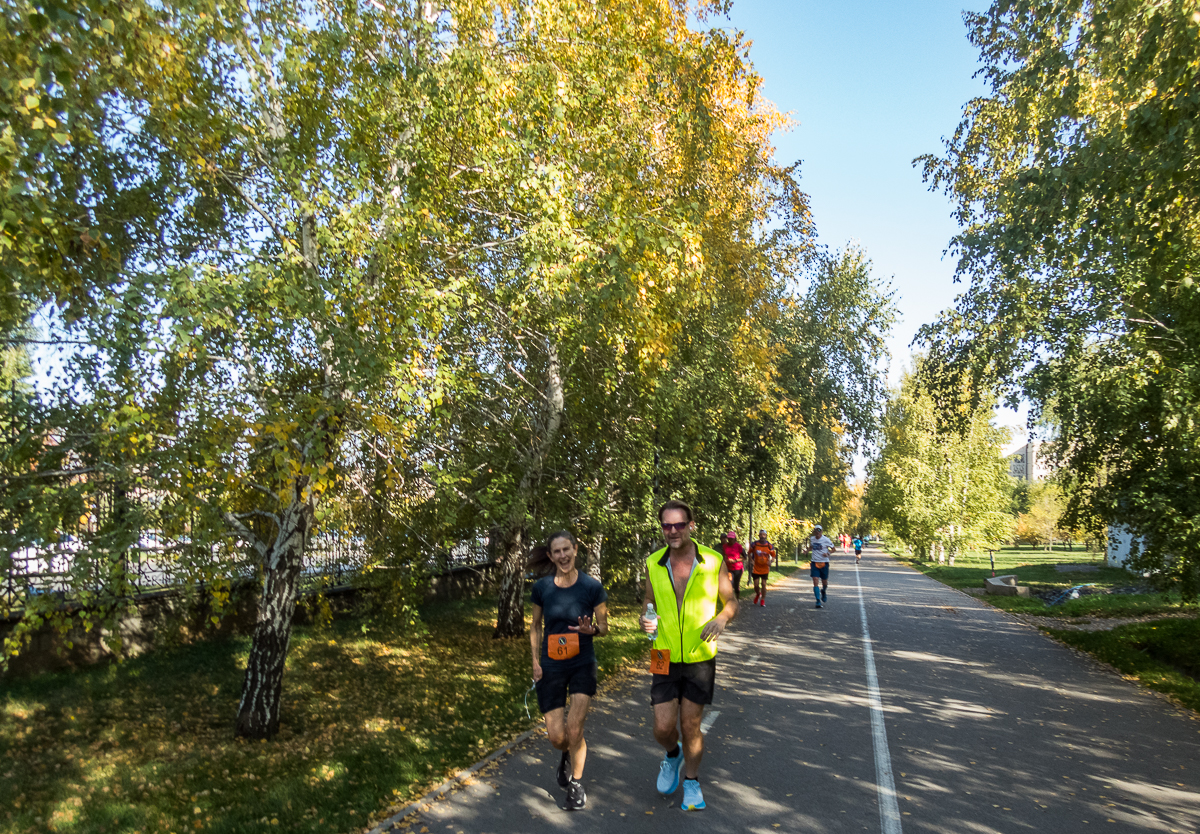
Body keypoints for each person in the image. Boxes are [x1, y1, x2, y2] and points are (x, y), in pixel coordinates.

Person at [639, 500, 738, 811]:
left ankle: (692, 783)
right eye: (667, 526)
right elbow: (648, 602)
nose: (672, 531)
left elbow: (731, 600)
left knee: (691, 725)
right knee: (662, 728)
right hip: (664, 654)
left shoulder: (712, 560)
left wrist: (722, 618)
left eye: (679, 525)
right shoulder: (654, 563)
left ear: (691, 525)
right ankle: (672, 755)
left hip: (698, 656)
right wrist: (646, 618)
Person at [529, 530, 609, 811]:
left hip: (581, 664)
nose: (563, 556)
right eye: (557, 552)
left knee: (575, 729)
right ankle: (565, 753)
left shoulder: (592, 587)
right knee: (557, 737)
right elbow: (536, 626)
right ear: (550, 556)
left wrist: (593, 630)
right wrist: (535, 662)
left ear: (576, 550)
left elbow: (605, 628)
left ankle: (576, 783)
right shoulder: (542, 588)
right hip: (551, 665)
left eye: (567, 549)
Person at [806, 523, 836, 608]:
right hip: (814, 562)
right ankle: (818, 601)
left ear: (822, 531)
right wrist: (807, 551)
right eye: (816, 531)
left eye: (819, 530)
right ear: (814, 532)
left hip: (824, 563)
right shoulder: (812, 539)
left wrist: (828, 553)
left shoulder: (826, 540)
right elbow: (811, 547)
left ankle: (823, 591)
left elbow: (834, 549)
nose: (818, 532)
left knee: (824, 581)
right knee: (815, 580)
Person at [747, 529, 777, 606]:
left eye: (764, 535)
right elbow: (749, 553)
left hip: (765, 568)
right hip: (756, 567)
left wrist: (771, 561)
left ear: (766, 536)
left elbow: (773, 556)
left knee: (764, 584)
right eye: (761, 535)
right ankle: (758, 594)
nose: (762, 536)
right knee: (756, 585)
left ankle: (762, 599)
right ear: (759, 535)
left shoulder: (769, 546)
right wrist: (751, 560)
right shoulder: (754, 544)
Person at [721, 530, 746, 599]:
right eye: (729, 539)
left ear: (734, 539)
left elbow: (744, 557)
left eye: (731, 539)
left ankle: (737, 599)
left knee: (736, 585)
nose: (730, 540)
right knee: (730, 583)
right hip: (729, 568)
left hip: (738, 568)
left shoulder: (738, 546)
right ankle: (731, 600)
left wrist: (735, 560)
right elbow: (724, 555)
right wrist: (726, 559)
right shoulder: (725, 546)